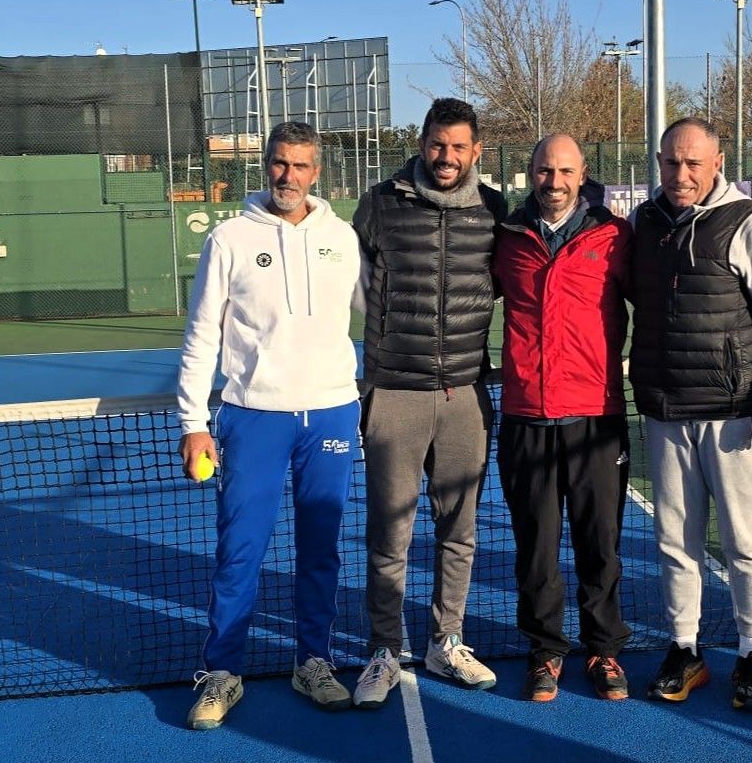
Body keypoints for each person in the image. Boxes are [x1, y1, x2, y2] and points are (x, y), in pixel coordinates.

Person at [177, 121, 362, 729]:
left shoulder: (343, 237)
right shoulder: (229, 238)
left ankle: (313, 662)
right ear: (267, 165)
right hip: (252, 417)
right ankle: (222, 672)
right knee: (240, 550)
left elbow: (379, 309)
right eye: (281, 164)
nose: (290, 176)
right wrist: (193, 422)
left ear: (318, 171)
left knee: (320, 551)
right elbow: (203, 332)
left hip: (332, 411)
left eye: (302, 166)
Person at [628, 117, 752, 711]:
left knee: (744, 543)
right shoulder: (644, 222)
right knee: (675, 541)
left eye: (693, 164)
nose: (680, 175)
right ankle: (686, 649)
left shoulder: (750, 222)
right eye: (670, 163)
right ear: (658, 162)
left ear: (717, 162)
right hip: (665, 410)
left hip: (735, 415)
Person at [350, 98, 508, 709]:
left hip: (467, 392)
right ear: (422, 144)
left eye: (459, 147)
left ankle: (447, 639)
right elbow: (344, 273)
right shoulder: (381, 202)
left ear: (476, 152)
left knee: (459, 531)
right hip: (393, 392)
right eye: (437, 145)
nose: (447, 158)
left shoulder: (493, 210)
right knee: (390, 534)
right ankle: (385, 649)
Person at [493, 134, 633, 703]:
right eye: (544, 171)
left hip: (595, 417)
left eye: (565, 171)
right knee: (537, 547)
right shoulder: (505, 239)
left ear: (583, 174)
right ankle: (546, 652)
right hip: (526, 415)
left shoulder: (615, 236)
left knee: (600, 543)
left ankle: (604, 649)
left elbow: (657, 305)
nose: (554, 181)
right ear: (530, 174)